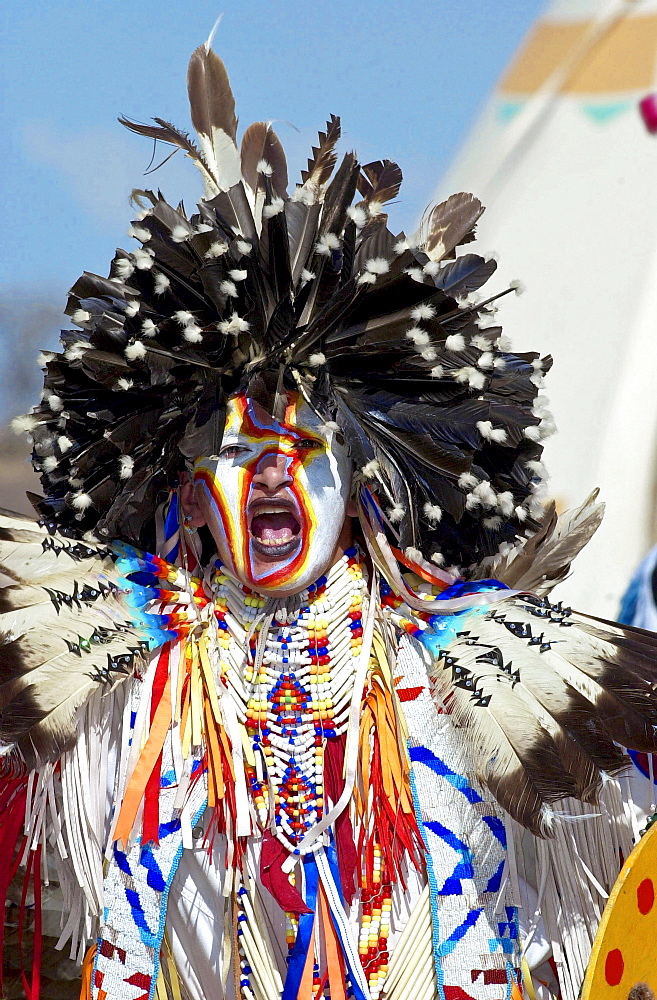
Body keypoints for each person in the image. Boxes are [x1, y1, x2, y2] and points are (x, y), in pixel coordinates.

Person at [3, 35, 657, 1000]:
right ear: (193, 493)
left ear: (363, 486)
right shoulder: (133, 685)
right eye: (235, 452)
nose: (268, 471)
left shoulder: (453, 673)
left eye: (305, 449)